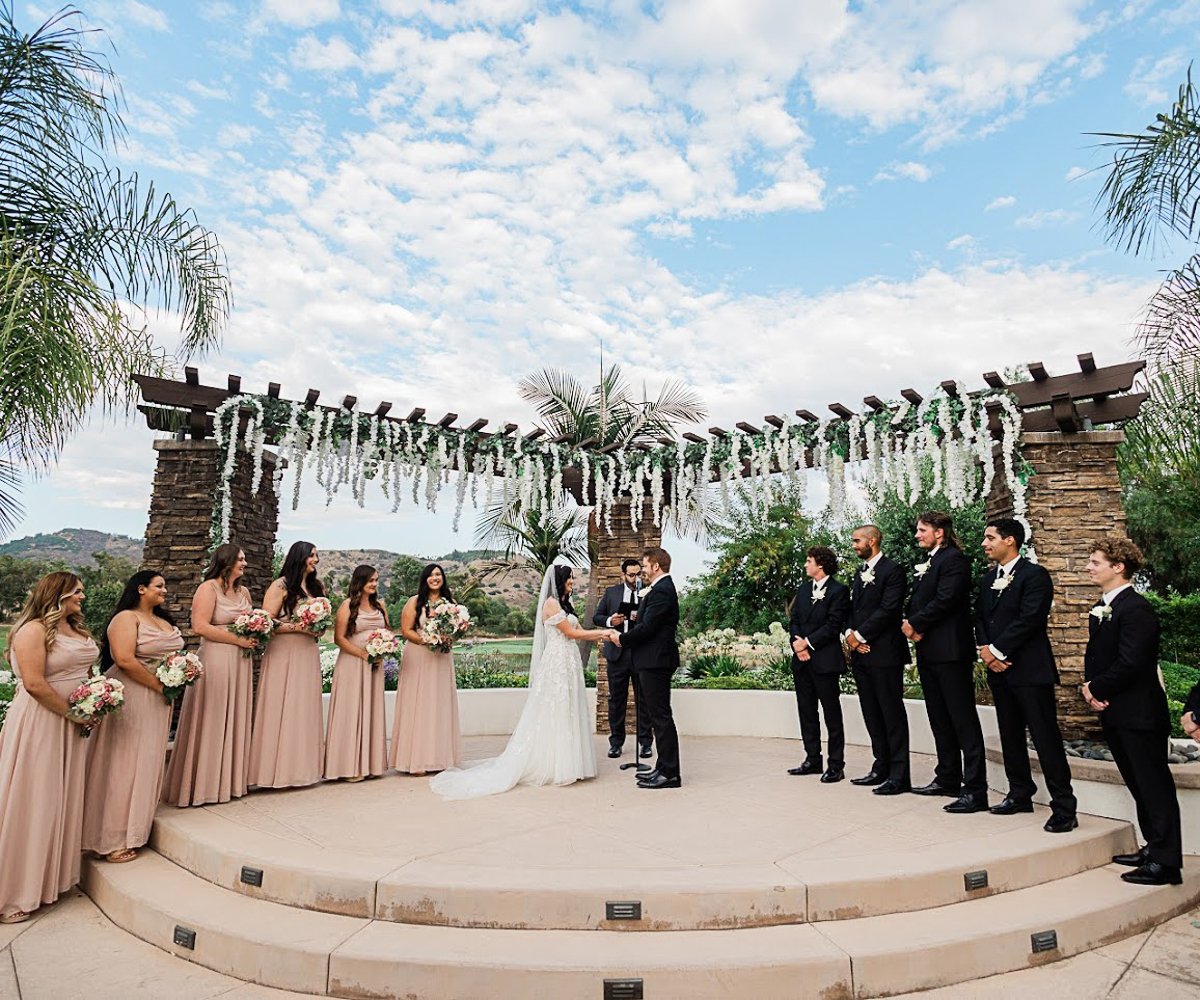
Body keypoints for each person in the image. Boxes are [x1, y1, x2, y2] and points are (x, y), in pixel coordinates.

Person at [430, 564, 614, 798]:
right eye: (569, 578)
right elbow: (571, 633)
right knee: (555, 709)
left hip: (569, 661)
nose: (572, 582)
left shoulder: (565, 604)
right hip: (557, 663)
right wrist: (603, 633)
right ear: (559, 580)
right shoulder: (551, 603)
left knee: (569, 708)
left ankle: (570, 762)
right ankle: (555, 765)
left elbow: (574, 630)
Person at [1082, 537, 1182, 886]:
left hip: (1139, 714)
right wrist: (1091, 687)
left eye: (1096, 562)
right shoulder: (1104, 606)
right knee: (1138, 785)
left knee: (1154, 787)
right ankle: (1153, 848)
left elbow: (1133, 662)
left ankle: (1167, 863)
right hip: (1116, 711)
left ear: (1118, 567)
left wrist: (1096, 688)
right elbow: (1099, 656)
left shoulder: (1135, 609)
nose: (1089, 567)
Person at [0, 573, 98, 923]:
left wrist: (94, 700)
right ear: (57, 594)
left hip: (71, 722)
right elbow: (35, 685)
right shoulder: (32, 631)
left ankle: (47, 881)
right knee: (33, 799)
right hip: (42, 722)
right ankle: (12, 892)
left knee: (59, 799)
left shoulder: (74, 628)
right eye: (77, 591)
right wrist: (75, 714)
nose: (83, 597)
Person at [975, 519, 1077, 833]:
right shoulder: (988, 578)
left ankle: (1064, 807)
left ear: (1010, 540)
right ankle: (1020, 793)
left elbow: (1030, 619)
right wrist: (985, 651)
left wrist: (998, 651)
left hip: (1030, 671)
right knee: (1010, 735)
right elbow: (980, 617)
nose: (985, 543)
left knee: (1045, 738)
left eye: (990, 537)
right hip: (999, 672)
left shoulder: (1035, 576)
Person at [83, 571, 184, 862]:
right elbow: (124, 659)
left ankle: (135, 829)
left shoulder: (165, 621)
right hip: (133, 694)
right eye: (159, 586)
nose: (165, 590)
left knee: (148, 760)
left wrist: (178, 676)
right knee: (123, 763)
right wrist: (158, 685)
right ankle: (109, 837)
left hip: (158, 698)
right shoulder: (125, 619)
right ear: (141, 589)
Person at [903, 511, 988, 814]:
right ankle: (947, 777)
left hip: (951, 651)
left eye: (922, 530)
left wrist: (915, 622)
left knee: (962, 720)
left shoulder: (954, 560)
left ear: (939, 532)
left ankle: (975, 790)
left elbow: (947, 598)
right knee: (939, 718)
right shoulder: (933, 561)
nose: (917, 535)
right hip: (930, 651)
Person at [163, 544, 258, 806]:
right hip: (217, 658)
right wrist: (237, 641)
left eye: (245, 558)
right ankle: (203, 785)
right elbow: (200, 626)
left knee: (235, 715)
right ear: (226, 562)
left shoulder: (244, 592)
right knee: (214, 715)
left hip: (241, 662)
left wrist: (255, 633)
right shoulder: (208, 588)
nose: (244, 563)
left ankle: (229, 783)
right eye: (240, 559)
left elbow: (249, 621)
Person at [248, 540, 325, 790]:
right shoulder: (280, 586)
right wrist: (296, 627)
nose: (315, 560)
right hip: (283, 653)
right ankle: (274, 772)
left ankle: (302, 770)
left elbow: (321, 625)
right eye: (312, 555)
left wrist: (316, 629)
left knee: (303, 707)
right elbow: (266, 624)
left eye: (316, 556)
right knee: (281, 705)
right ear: (300, 557)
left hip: (307, 653)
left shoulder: (316, 587)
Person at [845, 525, 911, 795]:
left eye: (857, 540)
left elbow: (889, 610)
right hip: (862, 655)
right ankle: (880, 766)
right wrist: (850, 633)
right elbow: (853, 609)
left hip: (885, 653)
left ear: (872, 541)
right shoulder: (860, 573)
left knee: (891, 713)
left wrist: (860, 635)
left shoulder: (893, 570)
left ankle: (899, 775)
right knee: (872, 713)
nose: (854, 545)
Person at [613, 547, 682, 790]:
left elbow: (648, 627)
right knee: (657, 716)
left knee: (661, 717)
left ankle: (670, 773)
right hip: (650, 660)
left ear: (656, 566)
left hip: (656, 661)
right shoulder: (658, 588)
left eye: (645, 566)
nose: (643, 570)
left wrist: (622, 639)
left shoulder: (662, 590)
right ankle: (662, 768)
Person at [389, 563, 463, 775]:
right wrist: (428, 640)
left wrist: (448, 638)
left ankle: (439, 758)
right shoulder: (415, 602)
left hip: (441, 659)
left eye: (438, 574)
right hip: (419, 656)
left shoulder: (450, 603)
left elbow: (455, 629)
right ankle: (416, 760)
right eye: (431, 575)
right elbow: (406, 630)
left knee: (439, 705)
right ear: (425, 579)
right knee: (419, 704)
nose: (435, 578)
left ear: (443, 578)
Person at [786, 546, 851, 783]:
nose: (805, 564)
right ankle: (812, 759)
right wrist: (797, 643)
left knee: (831, 714)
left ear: (820, 564)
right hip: (802, 662)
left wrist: (808, 644)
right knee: (807, 712)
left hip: (825, 662)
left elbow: (834, 625)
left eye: (808, 560)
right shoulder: (803, 590)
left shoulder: (839, 591)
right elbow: (794, 621)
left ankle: (836, 764)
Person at [323, 565, 389, 782]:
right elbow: (339, 638)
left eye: (376, 580)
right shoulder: (346, 606)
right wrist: (362, 654)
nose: (374, 584)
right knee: (350, 711)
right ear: (359, 582)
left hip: (374, 666)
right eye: (370, 580)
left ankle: (370, 765)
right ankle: (348, 767)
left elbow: (388, 631)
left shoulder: (380, 606)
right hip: (352, 664)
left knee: (371, 710)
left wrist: (383, 649)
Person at [593, 557, 652, 760]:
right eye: (631, 574)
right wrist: (611, 620)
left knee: (643, 699)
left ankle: (645, 743)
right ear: (623, 575)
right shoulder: (611, 593)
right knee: (616, 700)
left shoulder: (647, 592)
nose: (635, 578)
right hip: (616, 654)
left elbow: (654, 620)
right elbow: (597, 617)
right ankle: (616, 743)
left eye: (639, 574)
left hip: (640, 653)